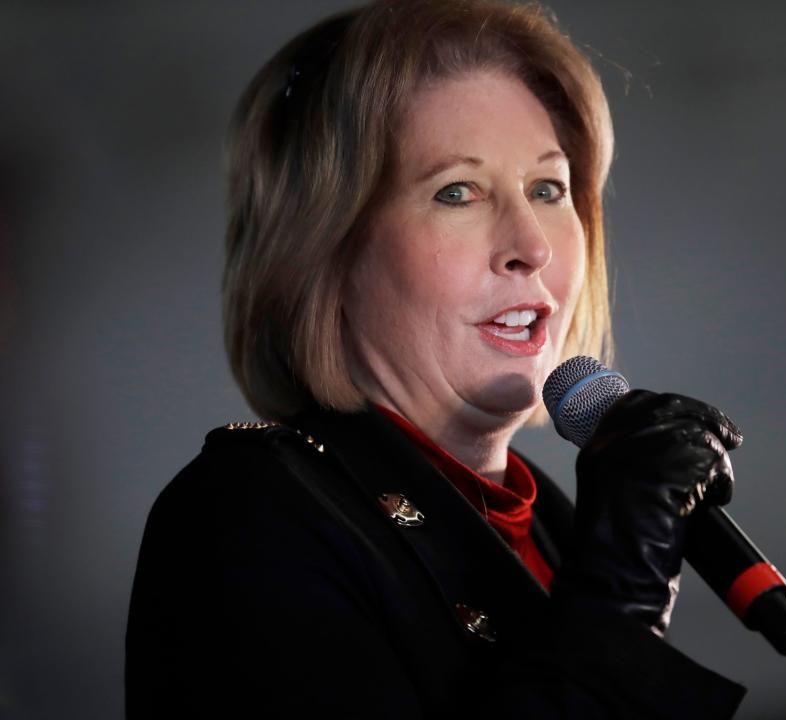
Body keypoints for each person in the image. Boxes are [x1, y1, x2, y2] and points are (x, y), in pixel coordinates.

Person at [125, 0, 748, 717]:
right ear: (324, 254)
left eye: (549, 188)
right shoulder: (244, 512)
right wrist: (617, 597)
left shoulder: (547, 519)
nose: (532, 244)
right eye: (458, 192)